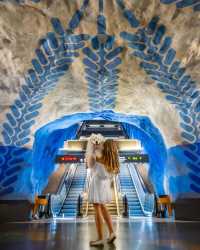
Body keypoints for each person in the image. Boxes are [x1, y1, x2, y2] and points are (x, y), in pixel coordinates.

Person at [86, 138, 120, 246]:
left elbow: (89, 164)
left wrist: (93, 148)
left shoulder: (99, 157)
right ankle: (111, 232)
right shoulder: (113, 162)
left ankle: (100, 238)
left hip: (96, 185)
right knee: (103, 207)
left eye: (104, 145)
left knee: (97, 209)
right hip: (105, 186)